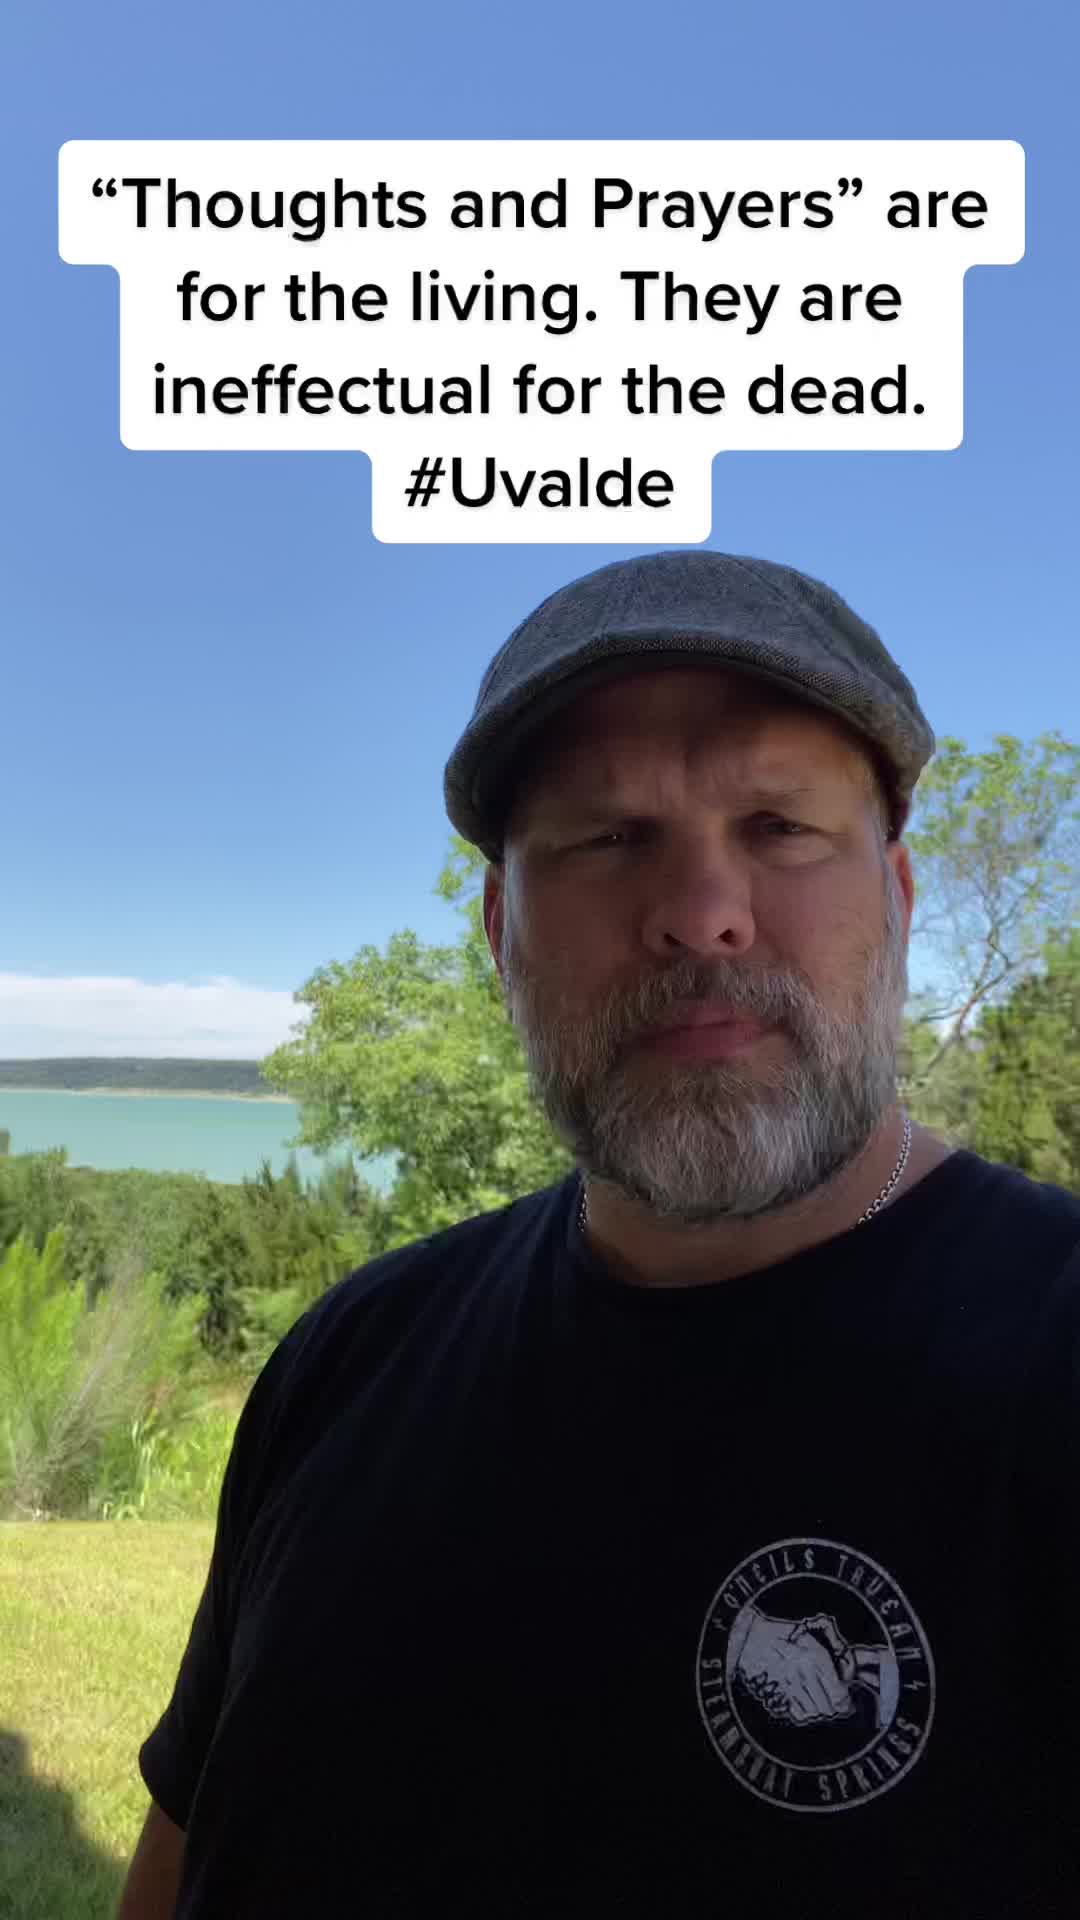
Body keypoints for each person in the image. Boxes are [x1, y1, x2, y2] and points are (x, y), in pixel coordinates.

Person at [119, 551, 1080, 1919]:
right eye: (611, 839)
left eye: (779, 826)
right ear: (501, 931)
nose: (702, 914)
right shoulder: (353, 1355)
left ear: (901, 899)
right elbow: (184, 1850)